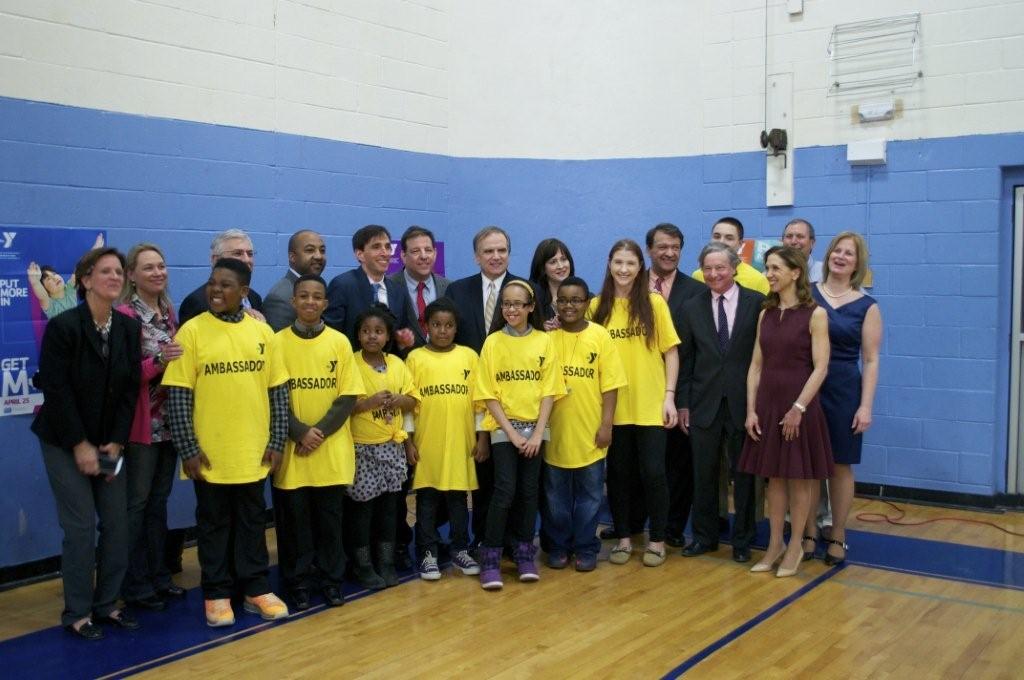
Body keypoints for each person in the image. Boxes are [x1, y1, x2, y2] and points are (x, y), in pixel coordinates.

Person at [163, 257, 290, 627]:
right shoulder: (191, 332)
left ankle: (255, 588)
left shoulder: (263, 334)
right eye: (212, 283)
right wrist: (187, 447)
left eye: (226, 285)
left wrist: (277, 440)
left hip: (253, 452)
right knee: (213, 525)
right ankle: (217, 593)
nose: (216, 290)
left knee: (252, 523)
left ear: (244, 292)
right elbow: (179, 396)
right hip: (209, 455)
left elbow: (278, 393)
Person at [32, 246, 142, 640]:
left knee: (117, 523)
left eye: (119, 272)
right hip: (64, 440)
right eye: (105, 271)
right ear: (85, 280)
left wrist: (116, 442)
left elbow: (130, 390)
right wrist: (80, 444)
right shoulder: (64, 327)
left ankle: (108, 604)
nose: (115, 277)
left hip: (108, 442)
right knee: (80, 527)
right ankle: (77, 613)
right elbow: (57, 392)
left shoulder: (129, 328)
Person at [738, 246, 833, 578]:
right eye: (767, 268)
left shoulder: (815, 314)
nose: (770, 274)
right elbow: (755, 366)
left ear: (796, 272)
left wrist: (798, 408)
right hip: (767, 404)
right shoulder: (766, 314)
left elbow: (820, 368)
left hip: (799, 406)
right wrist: (751, 410)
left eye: (776, 268)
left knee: (799, 477)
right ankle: (775, 543)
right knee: (774, 478)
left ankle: (796, 545)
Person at [273, 275, 364, 610]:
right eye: (303, 296)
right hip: (292, 450)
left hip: (329, 450)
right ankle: (297, 583)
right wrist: (299, 432)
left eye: (317, 297)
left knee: (330, 523)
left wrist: (318, 433)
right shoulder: (277, 342)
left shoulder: (339, 342)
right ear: (293, 302)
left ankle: (331, 580)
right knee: (296, 525)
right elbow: (275, 396)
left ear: (325, 304)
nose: (310, 302)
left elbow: (348, 396)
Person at [588, 239, 680, 568]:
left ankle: (656, 539)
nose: (624, 269)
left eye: (630, 263)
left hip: (651, 406)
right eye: (618, 263)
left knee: (654, 473)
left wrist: (669, 397)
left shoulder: (654, 304)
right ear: (609, 265)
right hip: (613, 409)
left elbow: (671, 352)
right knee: (619, 475)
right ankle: (624, 538)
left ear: (640, 267)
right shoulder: (596, 307)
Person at [444, 226, 530, 552]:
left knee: (515, 480)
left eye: (502, 250)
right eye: (489, 251)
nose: (496, 257)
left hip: (516, 399)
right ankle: (483, 537)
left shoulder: (524, 289)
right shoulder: (457, 290)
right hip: (475, 397)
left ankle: (515, 541)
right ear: (476, 255)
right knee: (483, 473)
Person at [474, 280, 565, 589]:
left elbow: (550, 391)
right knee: (504, 490)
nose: (512, 309)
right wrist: (512, 434)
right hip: (505, 429)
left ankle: (525, 552)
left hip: (536, 430)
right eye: (506, 304)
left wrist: (538, 433)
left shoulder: (544, 341)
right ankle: (491, 557)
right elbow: (488, 393)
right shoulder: (493, 343)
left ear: (530, 307)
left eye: (518, 304)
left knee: (529, 492)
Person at [677, 242, 763, 564]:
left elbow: (761, 359)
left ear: (735, 268)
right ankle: (704, 536)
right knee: (704, 474)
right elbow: (685, 361)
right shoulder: (691, 307)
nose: (714, 274)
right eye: (708, 269)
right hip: (703, 403)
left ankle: (742, 539)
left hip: (744, 404)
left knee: (744, 475)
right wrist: (684, 404)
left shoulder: (757, 304)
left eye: (721, 268)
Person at [116, 243, 186, 612]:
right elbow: (124, 375)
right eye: (148, 268)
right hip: (142, 428)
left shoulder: (168, 312)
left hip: (169, 426)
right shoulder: (125, 316)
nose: (158, 273)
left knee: (159, 504)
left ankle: (160, 575)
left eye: (161, 266)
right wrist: (160, 359)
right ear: (132, 275)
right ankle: (134, 582)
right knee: (137, 506)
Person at [806, 231, 881, 566]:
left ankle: (837, 533)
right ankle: (807, 532)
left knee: (839, 465)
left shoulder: (867, 306)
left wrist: (866, 405)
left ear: (857, 263)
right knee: (805, 464)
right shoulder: (807, 295)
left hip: (844, 388)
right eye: (837, 250)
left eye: (848, 253)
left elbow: (871, 359)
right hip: (807, 385)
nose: (840, 257)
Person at [545, 277, 626, 572]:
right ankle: (557, 546)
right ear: (556, 303)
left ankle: (585, 547)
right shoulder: (546, 338)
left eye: (576, 300)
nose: (569, 305)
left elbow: (611, 386)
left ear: (587, 303)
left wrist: (607, 425)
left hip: (591, 434)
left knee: (590, 498)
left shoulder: (601, 336)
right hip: (553, 435)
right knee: (556, 499)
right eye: (563, 300)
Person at [405, 298, 485, 580]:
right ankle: (427, 553)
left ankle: (460, 548)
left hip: (462, 443)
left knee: (459, 499)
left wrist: (482, 438)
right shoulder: (415, 358)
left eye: (448, 325)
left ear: (456, 328)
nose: (442, 331)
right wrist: (408, 442)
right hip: (427, 443)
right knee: (426, 499)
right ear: (425, 325)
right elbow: (408, 407)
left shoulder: (469, 357)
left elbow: (479, 404)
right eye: (436, 325)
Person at [348, 306, 420, 589]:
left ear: (388, 336)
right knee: (362, 512)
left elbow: (413, 401)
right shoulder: (351, 363)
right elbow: (347, 406)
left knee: (390, 510)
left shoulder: (398, 365)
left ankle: (386, 562)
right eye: (366, 331)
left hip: (393, 448)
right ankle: (363, 565)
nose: (371, 337)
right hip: (362, 449)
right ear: (358, 335)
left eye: (378, 332)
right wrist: (370, 403)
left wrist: (397, 400)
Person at [647, 223, 706, 547]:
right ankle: (629, 524)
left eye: (675, 247)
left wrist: (683, 400)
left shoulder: (695, 290)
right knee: (636, 462)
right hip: (636, 391)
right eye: (662, 247)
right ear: (649, 250)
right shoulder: (630, 285)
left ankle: (671, 529)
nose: (669, 253)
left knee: (677, 465)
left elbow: (694, 350)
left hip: (679, 389)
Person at [325, 224, 418, 353]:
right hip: (351, 368)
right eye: (376, 247)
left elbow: (397, 340)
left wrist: (401, 341)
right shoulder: (342, 285)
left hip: (387, 369)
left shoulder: (398, 292)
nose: (385, 253)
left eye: (387, 247)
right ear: (360, 254)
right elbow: (331, 336)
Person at [178, 229, 265, 325]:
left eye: (250, 254)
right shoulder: (196, 302)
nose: (246, 259)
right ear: (216, 260)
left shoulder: (254, 298)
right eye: (237, 253)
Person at [389, 225, 451, 346]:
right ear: (403, 256)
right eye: (415, 251)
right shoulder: (388, 286)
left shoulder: (449, 288)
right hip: (400, 362)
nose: (423, 256)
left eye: (428, 250)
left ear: (435, 253)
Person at [27, 233, 105, 320]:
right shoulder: (50, 304)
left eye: (54, 274)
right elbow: (42, 296)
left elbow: (80, 268)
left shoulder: (70, 289)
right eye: (49, 279)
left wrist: (94, 251)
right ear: (46, 290)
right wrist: (35, 282)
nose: (54, 278)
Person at [263, 230, 327, 331]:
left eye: (322, 251)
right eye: (310, 250)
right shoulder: (280, 298)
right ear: (292, 257)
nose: (319, 256)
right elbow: (281, 344)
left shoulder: (320, 287)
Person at [691, 217, 770, 295]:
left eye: (729, 238)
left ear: (740, 244)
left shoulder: (758, 280)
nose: (721, 242)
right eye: (717, 237)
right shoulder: (698, 275)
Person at [529, 238, 575, 330]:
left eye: (564, 259)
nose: (561, 266)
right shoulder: (532, 301)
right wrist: (540, 330)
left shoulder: (586, 297)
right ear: (542, 267)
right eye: (553, 262)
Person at [782, 218, 823, 283]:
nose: (793, 242)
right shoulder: (773, 273)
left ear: (812, 243)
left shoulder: (825, 273)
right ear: (782, 242)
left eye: (800, 236)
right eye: (789, 236)